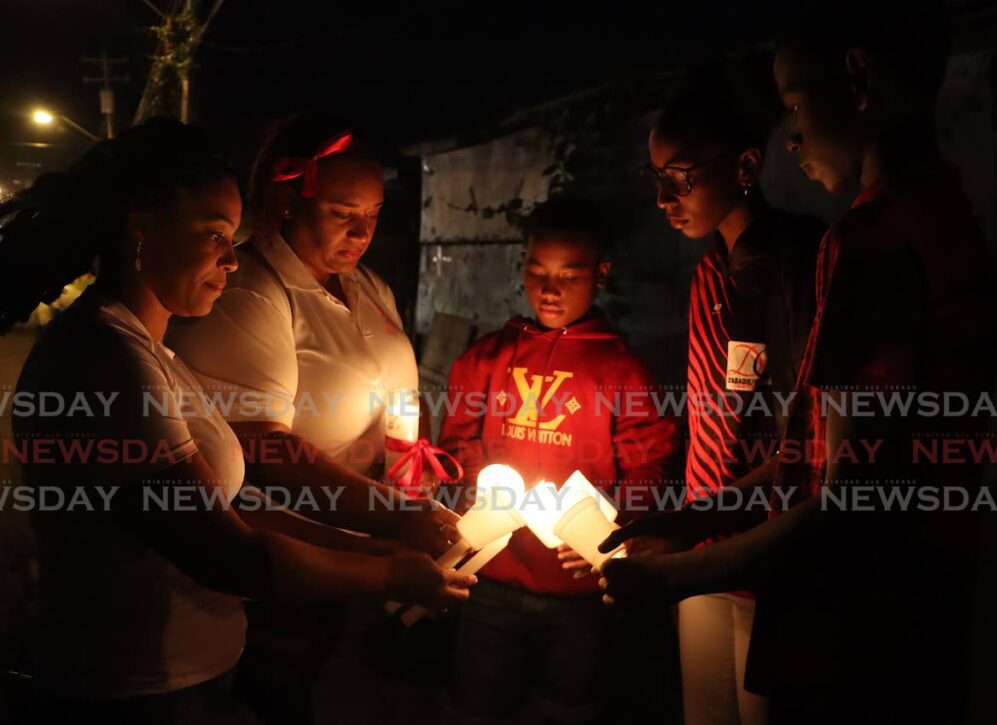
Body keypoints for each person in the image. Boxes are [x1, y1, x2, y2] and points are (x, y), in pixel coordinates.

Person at [599, 5, 997, 724]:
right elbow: (817, 460)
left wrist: (675, 573)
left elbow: (846, 500)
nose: (790, 135)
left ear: (856, 80)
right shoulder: (947, 218)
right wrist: (696, 515)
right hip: (923, 609)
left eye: (793, 103)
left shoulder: (870, 242)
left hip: (854, 623)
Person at [1, 118, 474, 725]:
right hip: (131, 688)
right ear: (143, 228)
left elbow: (227, 508)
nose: (232, 257)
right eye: (214, 233)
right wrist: (383, 571)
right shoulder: (103, 362)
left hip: (184, 678)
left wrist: (384, 539)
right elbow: (229, 555)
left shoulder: (153, 352)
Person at [163, 113, 462, 723]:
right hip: (289, 544)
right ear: (287, 200)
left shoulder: (367, 286)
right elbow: (264, 448)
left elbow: (399, 398)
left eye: (374, 215)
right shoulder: (250, 292)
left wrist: (409, 483)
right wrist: (393, 514)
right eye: (341, 212)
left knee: (328, 680)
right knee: (275, 690)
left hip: (362, 537)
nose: (361, 231)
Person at [438, 196, 679, 725]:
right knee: (474, 703)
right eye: (537, 271)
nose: (549, 289)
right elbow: (456, 443)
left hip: (580, 588)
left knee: (570, 706)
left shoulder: (621, 371)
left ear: (600, 275)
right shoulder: (485, 359)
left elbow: (649, 464)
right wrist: (485, 489)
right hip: (491, 574)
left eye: (569, 275)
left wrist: (612, 529)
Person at [642, 59, 824, 725]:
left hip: (762, 552)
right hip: (703, 543)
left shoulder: (793, 267)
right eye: (656, 179)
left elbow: (798, 432)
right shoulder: (709, 274)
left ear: (745, 165)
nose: (665, 198)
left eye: (681, 178)